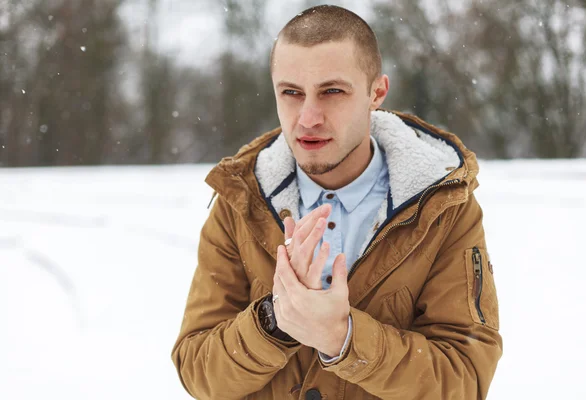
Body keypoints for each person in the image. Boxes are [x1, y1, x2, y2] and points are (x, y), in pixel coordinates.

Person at [171, 4, 502, 400]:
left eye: (332, 91)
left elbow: (463, 379)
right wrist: (275, 321)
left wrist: (343, 337)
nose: (308, 117)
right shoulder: (240, 200)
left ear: (376, 92)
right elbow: (198, 372)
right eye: (291, 93)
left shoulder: (442, 208)